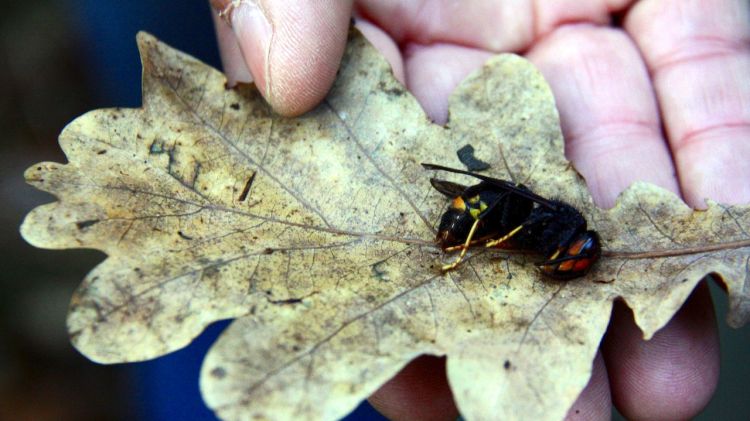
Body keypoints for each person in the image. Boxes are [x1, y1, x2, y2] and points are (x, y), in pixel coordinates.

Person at [209, 1, 749, 419]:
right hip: (475, 211)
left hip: (487, 205)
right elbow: (507, 220)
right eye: (572, 261)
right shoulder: (550, 230)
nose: (569, 265)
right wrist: (482, 238)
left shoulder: (560, 232)